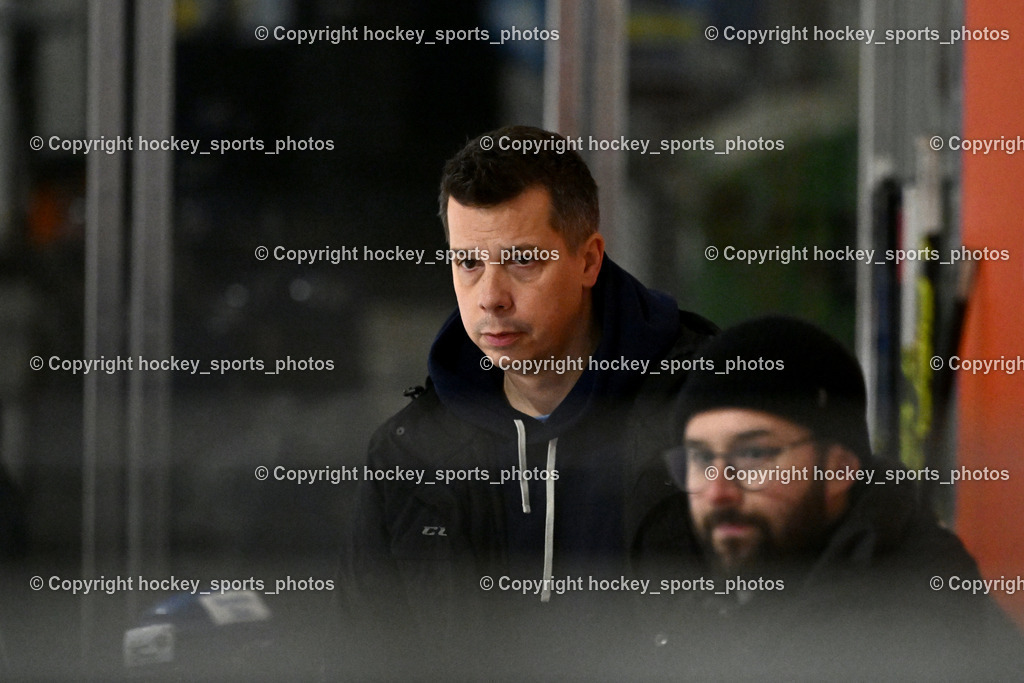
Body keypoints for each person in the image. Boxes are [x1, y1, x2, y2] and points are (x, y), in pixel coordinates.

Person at [336, 125, 716, 677]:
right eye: (468, 263)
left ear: (589, 261)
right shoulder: (410, 454)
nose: (490, 296)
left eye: (522, 262)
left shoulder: (709, 415)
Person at [631, 315, 1024, 680]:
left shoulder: (906, 631)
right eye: (700, 458)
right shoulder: (748, 580)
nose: (718, 491)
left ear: (838, 468)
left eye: (753, 454)